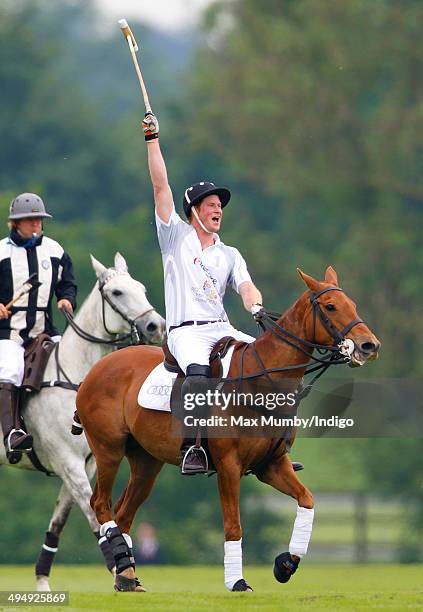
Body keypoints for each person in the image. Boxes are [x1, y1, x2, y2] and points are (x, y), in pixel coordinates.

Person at [143, 113, 263, 475]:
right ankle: (194, 448)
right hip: (185, 330)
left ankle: (270, 444)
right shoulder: (175, 236)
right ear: (194, 211)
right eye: (211, 205)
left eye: (220, 206)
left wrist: (255, 307)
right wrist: (152, 139)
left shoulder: (230, 253)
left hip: (220, 327)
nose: (218, 210)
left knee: (263, 364)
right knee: (198, 373)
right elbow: (161, 188)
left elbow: (245, 286)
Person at [0, 193, 77, 463]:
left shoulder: (55, 251)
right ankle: (12, 433)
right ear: (15, 224)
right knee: (10, 369)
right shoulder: (1, 252)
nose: (35, 224)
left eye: (38, 220)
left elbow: (67, 282)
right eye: (29, 220)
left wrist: (66, 298)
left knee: (72, 364)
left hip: (45, 330)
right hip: (8, 333)